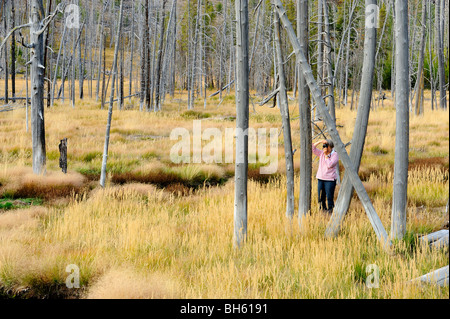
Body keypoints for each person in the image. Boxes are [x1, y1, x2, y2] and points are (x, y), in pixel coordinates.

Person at [312, 139, 339, 213]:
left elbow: (330, 165)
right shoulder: (321, 154)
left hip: (330, 180)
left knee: (329, 197)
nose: (325, 148)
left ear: (331, 147)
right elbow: (312, 148)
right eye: (324, 146)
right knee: (321, 197)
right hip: (321, 178)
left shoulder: (335, 155)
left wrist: (326, 155)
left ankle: (330, 211)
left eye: (327, 146)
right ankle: (322, 210)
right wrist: (320, 141)